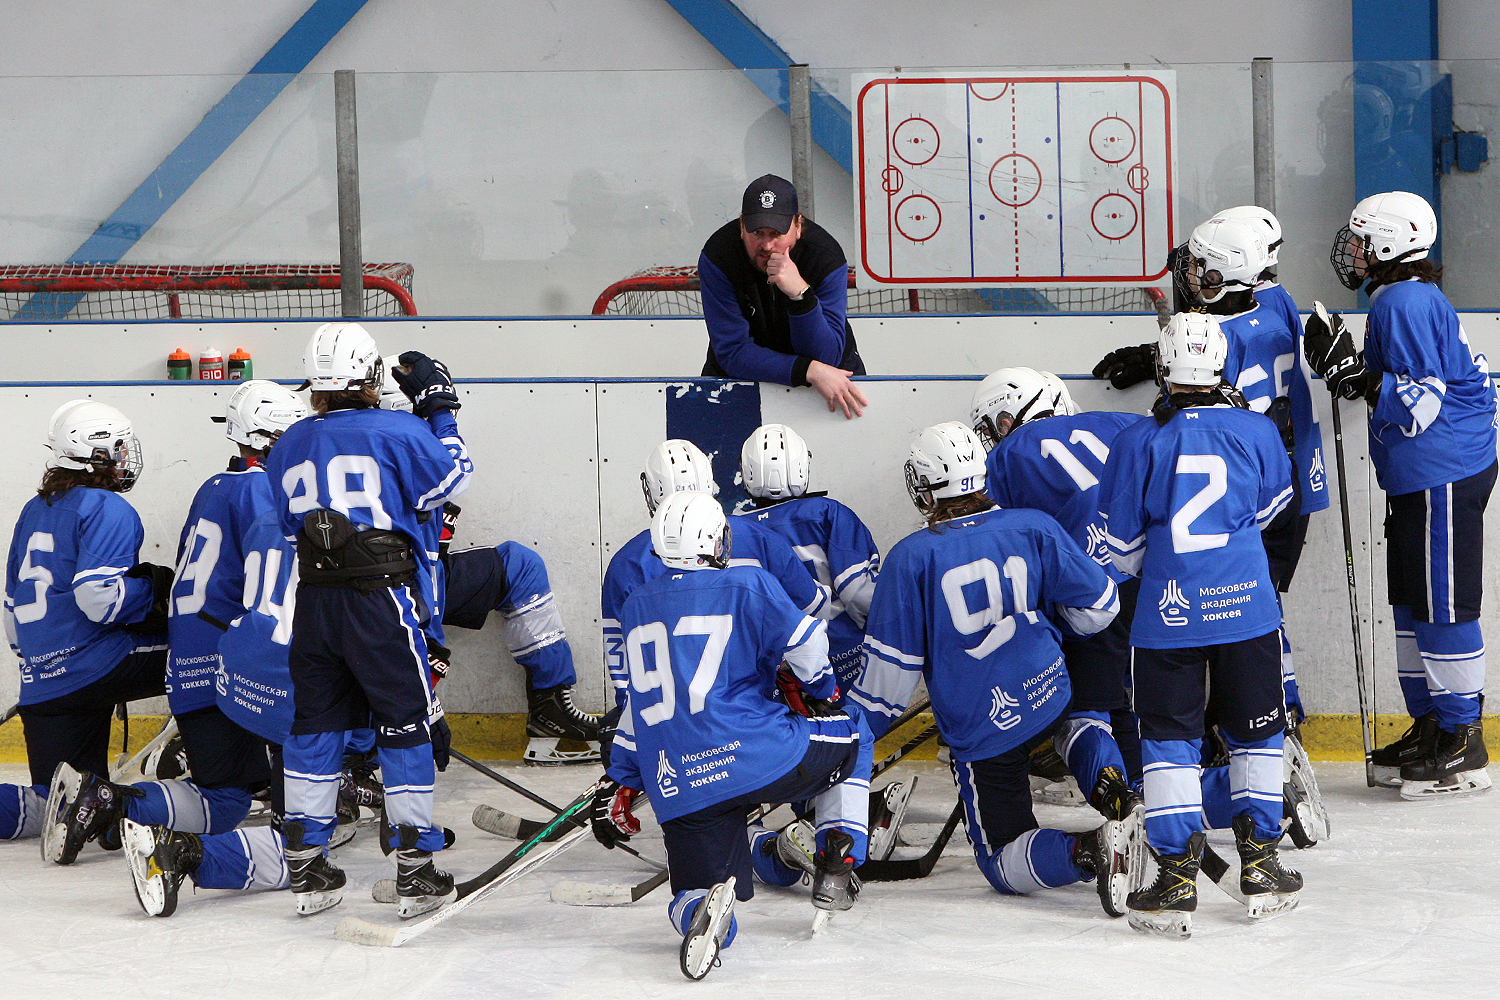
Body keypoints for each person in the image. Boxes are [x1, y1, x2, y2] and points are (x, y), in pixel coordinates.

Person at [848, 421, 1133, 918]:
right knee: (1078, 722)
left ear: (924, 485)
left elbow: (887, 689)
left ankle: (1087, 852)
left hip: (984, 726)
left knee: (1001, 859)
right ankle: (1115, 789)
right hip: (1048, 689)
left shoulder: (910, 557)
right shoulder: (1034, 525)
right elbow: (1101, 606)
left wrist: (846, 733)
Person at [593, 491, 871, 981]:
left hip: (681, 783)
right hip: (757, 755)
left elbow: (639, 704)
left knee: (689, 892)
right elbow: (808, 641)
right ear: (716, 540)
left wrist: (622, 777)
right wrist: (824, 691)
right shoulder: (748, 581)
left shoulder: (637, 605)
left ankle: (705, 910)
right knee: (854, 729)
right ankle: (838, 851)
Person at [1097, 313, 1303, 937]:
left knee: (1168, 743)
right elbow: (1270, 511)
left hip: (1167, 616)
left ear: (1165, 368)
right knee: (1257, 735)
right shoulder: (1256, 428)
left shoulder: (1139, 440)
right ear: (1220, 368)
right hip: (1248, 610)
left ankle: (1175, 878)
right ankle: (1262, 863)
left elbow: (1119, 548)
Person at [266, 322, 472, 917]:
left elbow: (288, 527)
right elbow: (453, 475)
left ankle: (306, 862)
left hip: (315, 602)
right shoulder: (398, 428)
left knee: (315, 725)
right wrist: (441, 410)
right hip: (382, 598)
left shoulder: (289, 442)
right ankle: (415, 867)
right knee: (406, 724)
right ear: (369, 377)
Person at [1306, 190, 1496, 798]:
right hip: (1421, 474)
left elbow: (1421, 402)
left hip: (1444, 468)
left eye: (1362, 241)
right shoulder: (1399, 296)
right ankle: (1435, 724)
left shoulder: (1407, 301)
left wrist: (1357, 376)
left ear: (1389, 244)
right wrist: (1353, 370)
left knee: (1441, 604)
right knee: (1413, 605)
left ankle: (1463, 738)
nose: (1354, 252)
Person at [0, 401, 203, 862]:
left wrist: (40, 668)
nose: (125, 458)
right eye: (118, 449)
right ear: (98, 455)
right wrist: (148, 588)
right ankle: (215, 764)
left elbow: (11, 612)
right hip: (98, 665)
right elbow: (98, 600)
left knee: (55, 804)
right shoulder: (107, 507)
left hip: (43, 686)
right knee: (212, 654)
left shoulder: (36, 508)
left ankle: (108, 805)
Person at [377, 362, 600, 766]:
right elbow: (454, 468)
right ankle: (366, 750)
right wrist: (439, 410)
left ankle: (550, 709)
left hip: (426, 575)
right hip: (389, 589)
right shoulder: (399, 450)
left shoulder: (363, 442)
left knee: (518, 565)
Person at [1174, 210, 1329, 724]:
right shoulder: (1279, 301)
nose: (1193, 274)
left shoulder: (1211, 337)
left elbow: (1192, 394)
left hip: (1247, 492)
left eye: (1205, 269)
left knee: (1242, 606)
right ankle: (1276, 709)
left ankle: (1269, 711)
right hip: (1297, 480)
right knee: (1262, 601)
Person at [971, 368, 1145, 807]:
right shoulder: (1123, 422)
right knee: (1159, 704)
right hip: (1161, 577)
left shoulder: (1003, 457)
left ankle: (1126, 797)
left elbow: (996, 549)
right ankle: (1225, 790)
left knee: (1091, 713)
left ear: (1005, 421)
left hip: (1092, 594)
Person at [601, 439, 831, 713]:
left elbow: (622, 660)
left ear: (651, 491)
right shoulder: (760, 539)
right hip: (756, 710)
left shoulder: (628, 562)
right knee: (849, 734)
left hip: (668, 722)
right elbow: (812, 609)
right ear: (710, 484)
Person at [699, 173, 868, 420]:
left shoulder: (826, 257)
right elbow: (732, 351)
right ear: (741, 226)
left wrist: (800, 295)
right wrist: (806, 370)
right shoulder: (718, 256)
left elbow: (828, 357)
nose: (767, 246)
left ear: (797, 227)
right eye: (757, 232)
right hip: (742, 375)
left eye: (776, 233)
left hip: (831, 380)